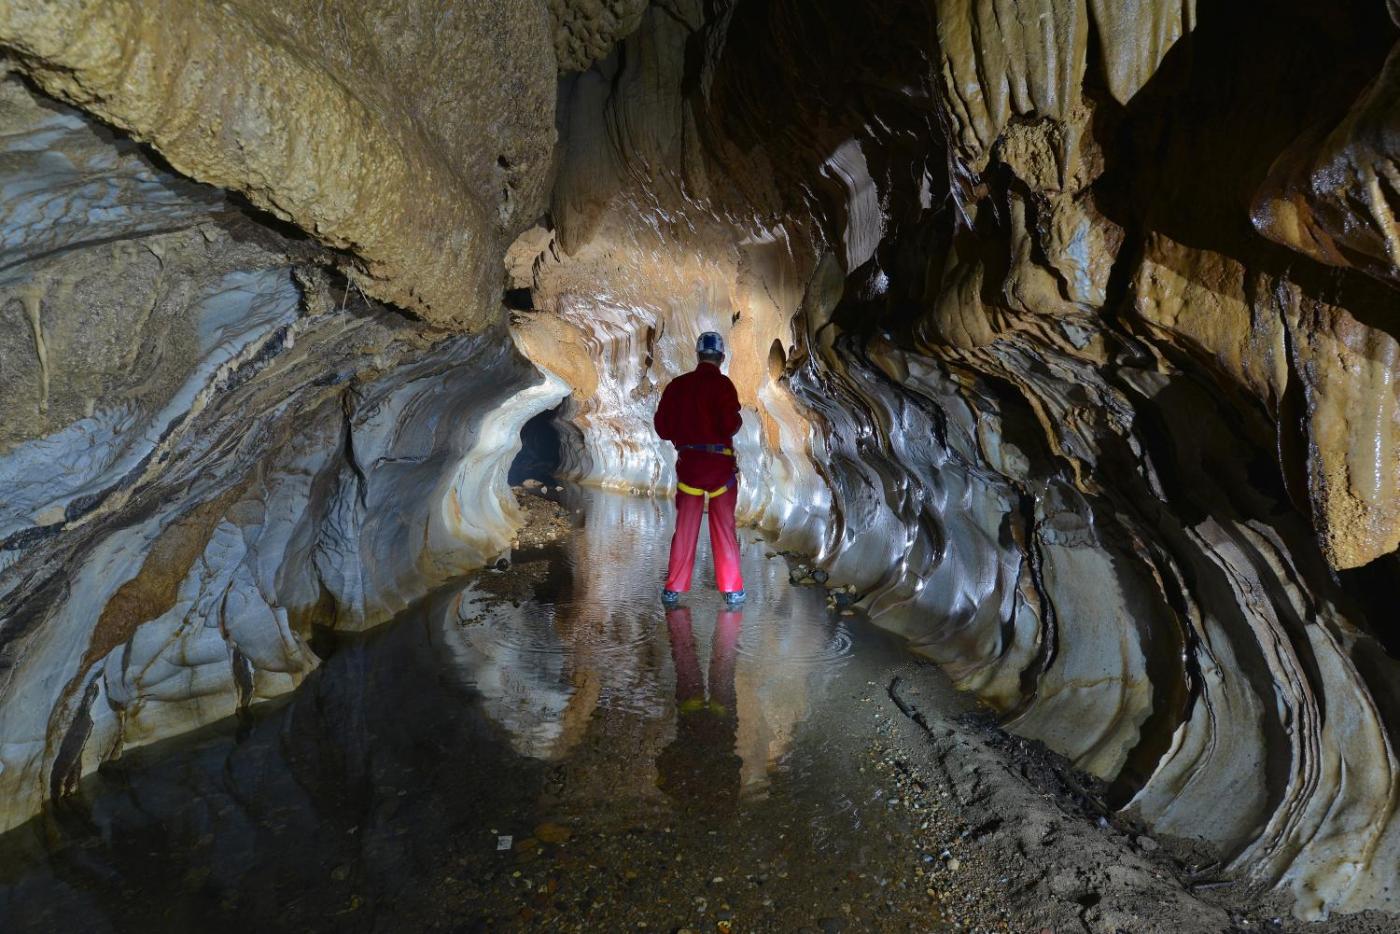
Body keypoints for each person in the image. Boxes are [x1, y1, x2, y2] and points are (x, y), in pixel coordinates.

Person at [653, 331, 746, 608]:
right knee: (724, 527)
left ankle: (673, 589)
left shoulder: (678, 386)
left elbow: (663, 429)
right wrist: (737, 421)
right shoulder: (723, 385)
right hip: (719, 466)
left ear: (698, 355)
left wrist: (686, 431)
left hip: (690, 465)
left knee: (685, 528)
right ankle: (732, 590)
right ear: (721, 357)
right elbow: (728, 425)